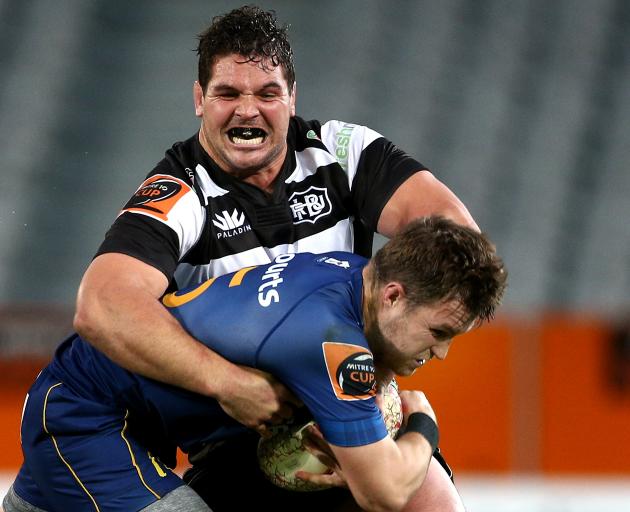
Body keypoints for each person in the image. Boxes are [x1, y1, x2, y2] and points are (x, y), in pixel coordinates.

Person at [71, 4, 481, 510]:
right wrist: (226, 382)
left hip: (349, 397)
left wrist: (381, 354)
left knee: (433, 502)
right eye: (227, 94)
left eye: (267, 94)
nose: (248, 110)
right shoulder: (179, 191)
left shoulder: (342, 152)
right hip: (246, 431)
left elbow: (454, 240)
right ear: (200, 100)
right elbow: (102, 303)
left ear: (291, 99)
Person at [3, 217, 507, 512]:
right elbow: (384, 492)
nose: (441, 352)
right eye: (440, 333)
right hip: (87, 419)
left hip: (134, 417)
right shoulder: (331, 343)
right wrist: (423, 421)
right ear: (395, 295)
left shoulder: (352, 276)